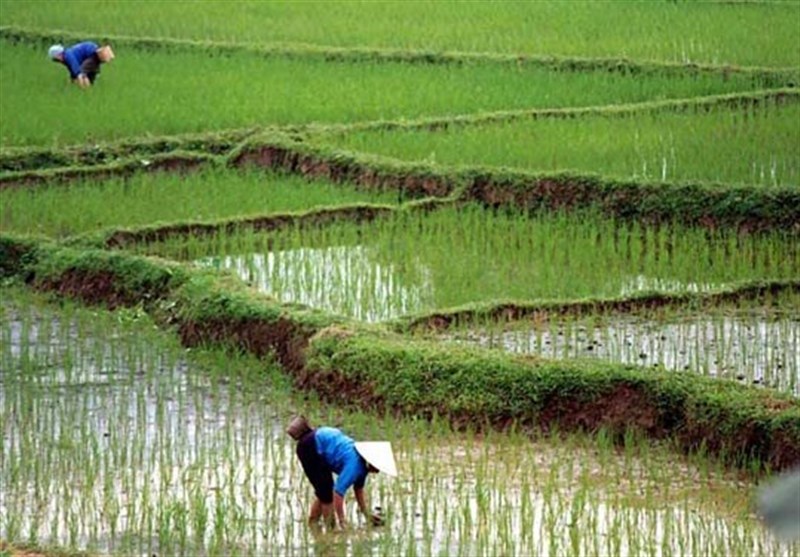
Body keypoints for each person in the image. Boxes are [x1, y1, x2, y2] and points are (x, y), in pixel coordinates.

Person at [287, 416, 397, 528]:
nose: (378, 471)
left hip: (321, 441)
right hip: (310, 447)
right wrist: (342, 520)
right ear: (371, 461)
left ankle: (313, 524)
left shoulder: (363, 468)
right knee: (326, 493)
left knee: (324, 491)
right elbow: (338, 493)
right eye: (378, 467)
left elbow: (358, 490)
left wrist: (367, 514)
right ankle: (330, 531)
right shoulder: (354, 466)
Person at [48, 42, 114, 88]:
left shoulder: (68, 55)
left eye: (55, 59)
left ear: (58, 55)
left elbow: (76, 69)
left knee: (82, 74)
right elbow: (72, 70)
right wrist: (72, 80)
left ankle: (87, 93)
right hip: (91, 56)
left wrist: (79, 78)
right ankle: (89, 91)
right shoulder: (66, 56)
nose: (57, 61)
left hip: (92, 54)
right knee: (86, 77)